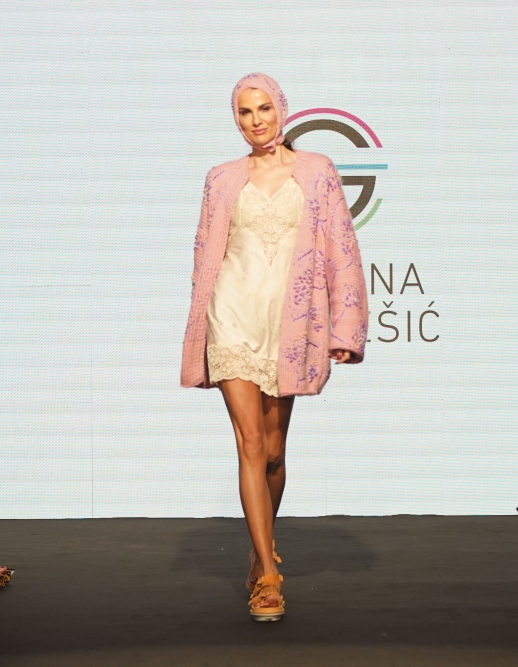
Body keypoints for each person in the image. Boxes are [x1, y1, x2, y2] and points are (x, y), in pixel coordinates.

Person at [181, 73, 369, 621]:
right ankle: (267, 573)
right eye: (244, 112)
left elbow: (342, 250)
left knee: (273, 450)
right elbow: (204, 254)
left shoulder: (316, 171)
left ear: (281, 110)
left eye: (263, 108)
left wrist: (346, 328)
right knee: (248, 443)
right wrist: (202, 321)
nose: (255, 120)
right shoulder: (221, 178)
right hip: (232, 314)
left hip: (289, 321)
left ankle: (259, 544)